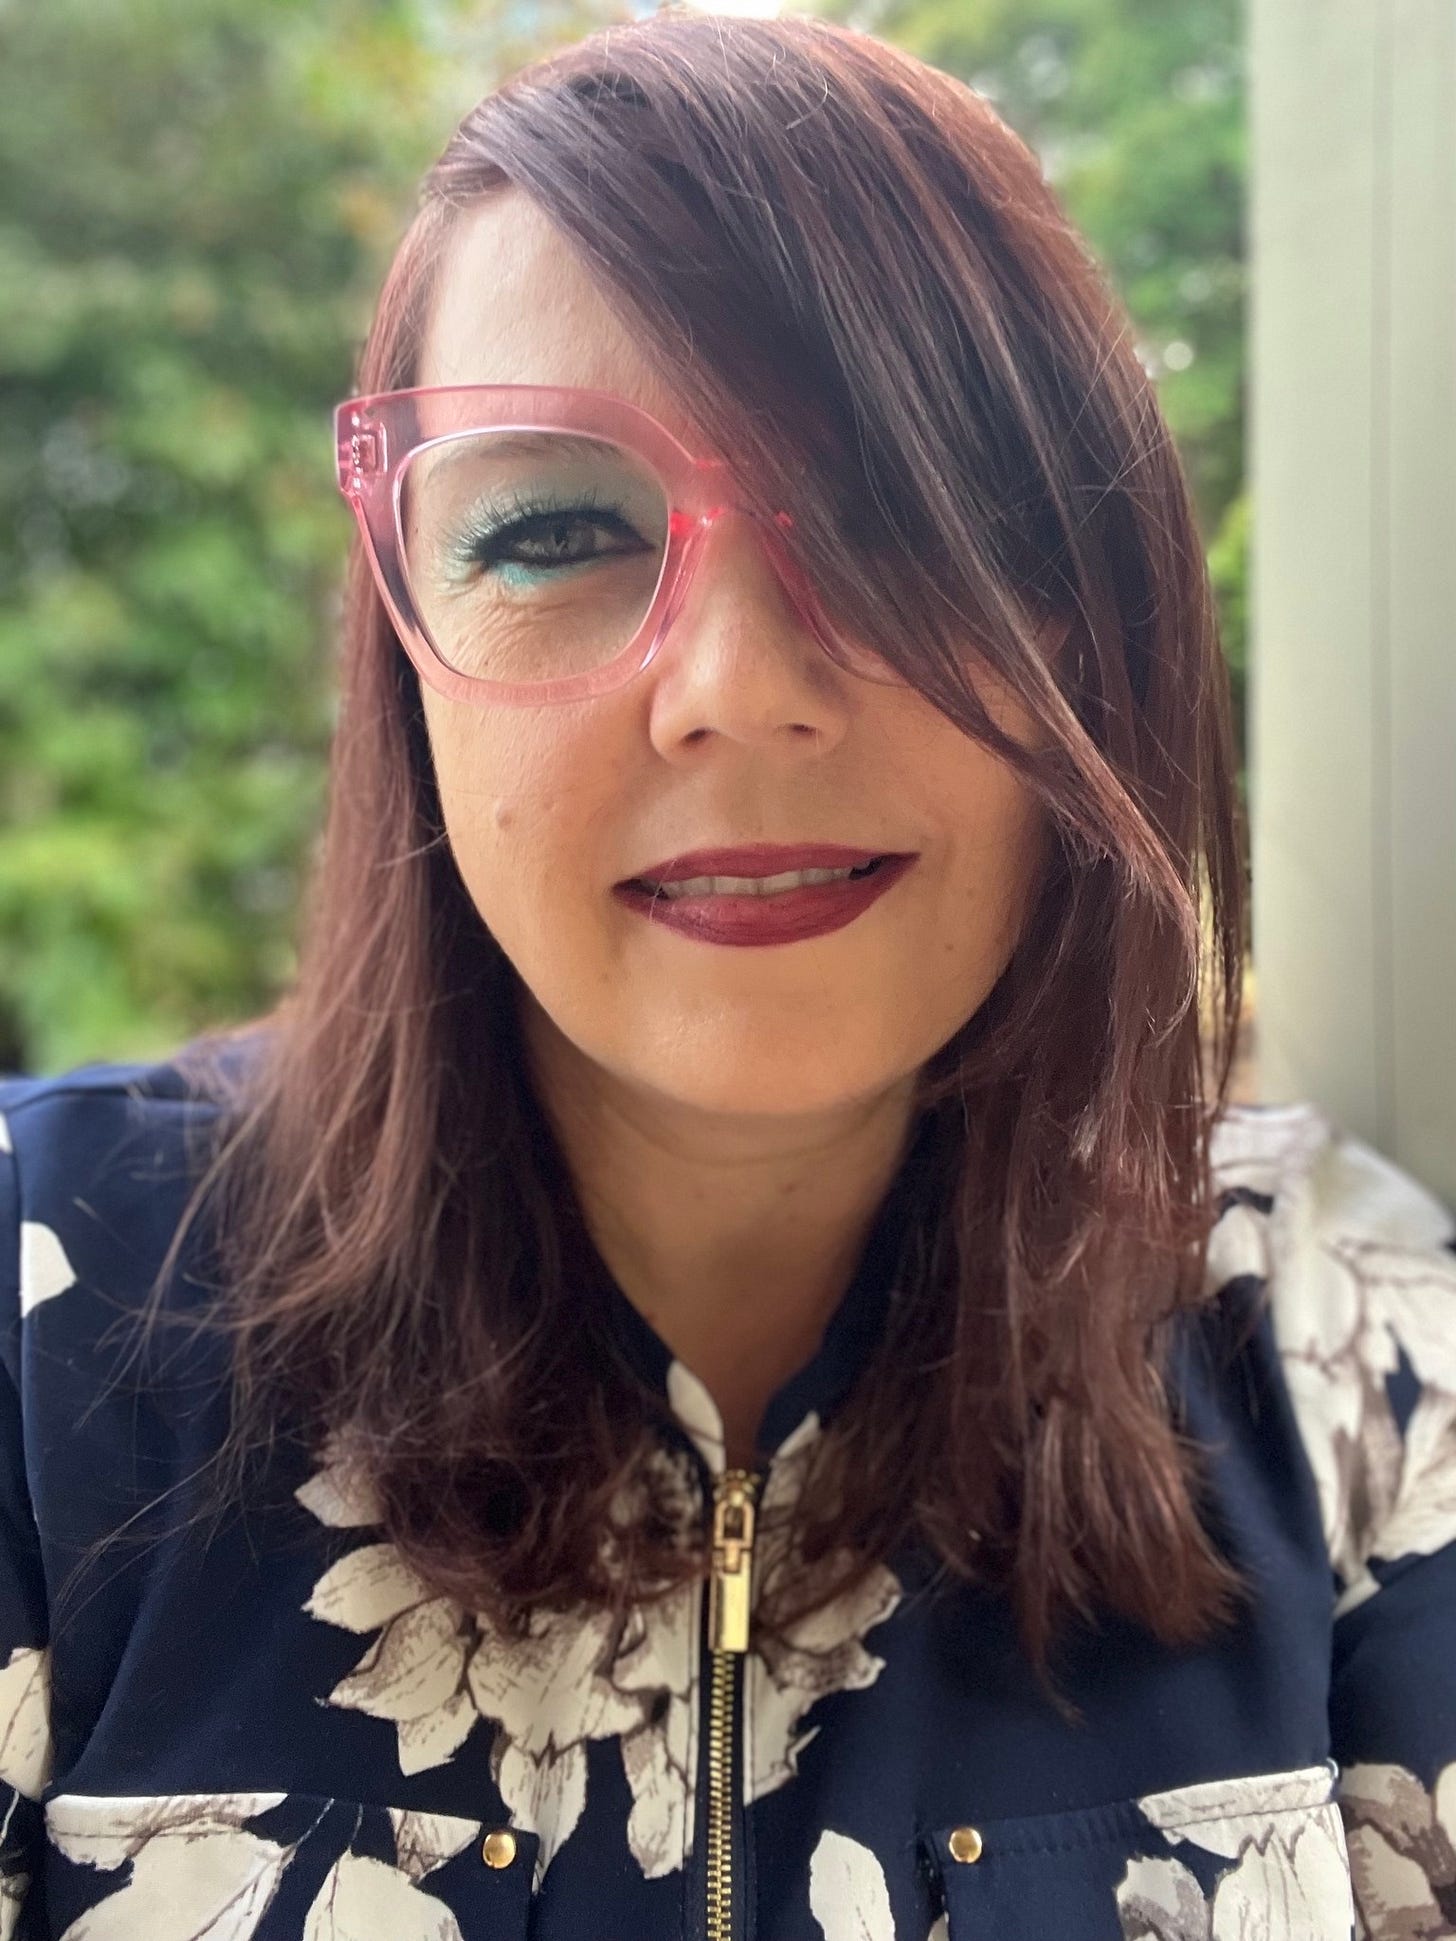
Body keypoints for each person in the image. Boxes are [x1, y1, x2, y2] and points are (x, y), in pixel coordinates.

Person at [1, 9, 1452, 1937]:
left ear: (1097, 620)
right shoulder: (44, 1322)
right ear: (406, 643)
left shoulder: (1350, 1355)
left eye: (897, 504)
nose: (740, 689)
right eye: (557, 529)